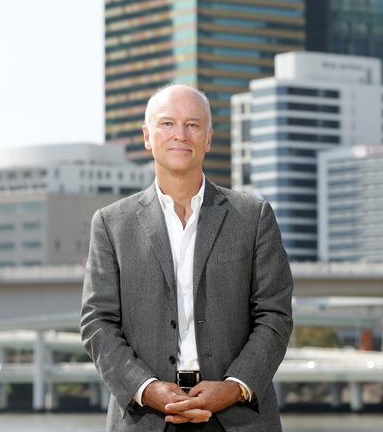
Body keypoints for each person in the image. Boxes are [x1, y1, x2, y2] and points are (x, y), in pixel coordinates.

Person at [80, 84, 293, 431]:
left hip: (238, 417)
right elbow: (97, 323)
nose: (181, 134)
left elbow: (275, 315)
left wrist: (234, 386)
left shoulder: (253, 217)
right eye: (167, 124)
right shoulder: (110, 224)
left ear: (208, 139)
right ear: (147, 137)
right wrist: (146, 389)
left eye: (193, 125)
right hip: (145, 418)